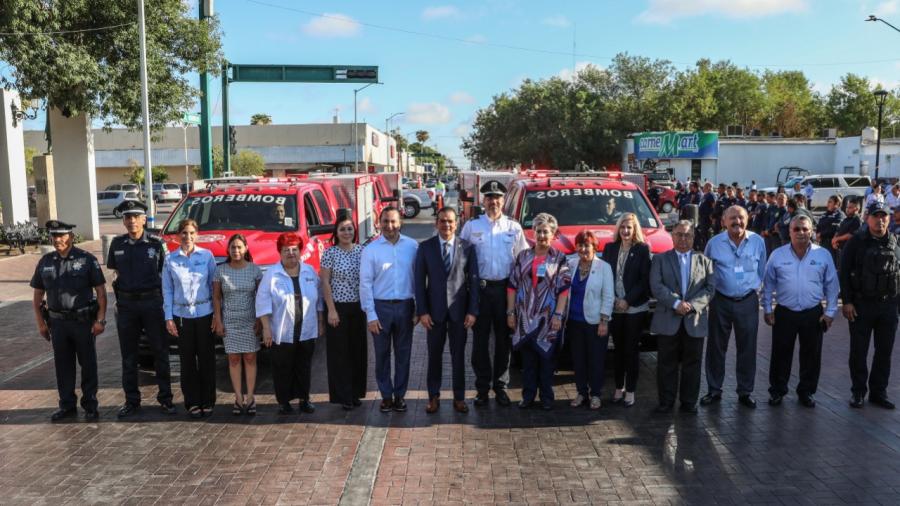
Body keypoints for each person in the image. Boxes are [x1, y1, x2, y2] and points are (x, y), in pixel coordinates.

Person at [459, 180, 528, 407]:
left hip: (505, 291)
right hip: (480, 292)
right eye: (489, 198)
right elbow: (461, 262)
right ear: (484, 201)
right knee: (479, 342)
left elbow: (523, 261)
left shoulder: (513, 227)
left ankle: (500, 387)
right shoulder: (472, 227)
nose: (493, 202)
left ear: (503, 200)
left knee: (503, 341)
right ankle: (481, 389)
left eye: (497, 197)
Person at [31, 220, 107, 421]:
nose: (58, 240)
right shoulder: (45, 261)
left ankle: (90, 404)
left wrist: (100, 320)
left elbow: (101, 293)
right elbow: (38, 296)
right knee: (63, 365)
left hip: (83, 321)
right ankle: (67, 405)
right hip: (57, 323)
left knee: (88, 364)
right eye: (54, 236)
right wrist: (41, 324)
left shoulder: (86, 259)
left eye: (62, 236)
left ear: (71, 237)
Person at [762, 215, 839, 408]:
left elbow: (832, 285)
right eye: (797, 229)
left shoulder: (823, 254)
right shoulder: (777, 255)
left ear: (812, 231)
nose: (801, 233)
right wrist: (768, 309)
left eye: (805, 229)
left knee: (811, 355)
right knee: (780, 354)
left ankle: (806, 392)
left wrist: (830, 312)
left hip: (812, 313)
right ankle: (777, 391)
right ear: (789, 232)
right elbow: (768, 284)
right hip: (785, 312)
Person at [106, 200, 174, 418]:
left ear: (144, 219)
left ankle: (165, 399)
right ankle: (131, 401)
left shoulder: (156, 244)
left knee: (160, 353)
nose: (132, 221)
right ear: (124, 221)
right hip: (127, 306)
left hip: (152, 304)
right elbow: (114, 274)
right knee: (128, 356)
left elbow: (167, 274)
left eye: (136, 216)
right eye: (128, 217)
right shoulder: (117, 244)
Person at [415, 207, 479, 414]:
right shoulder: (425, 247)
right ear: (436, 223)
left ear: (457, 223)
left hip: (460, 314)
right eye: (442, 221)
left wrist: (472, 311)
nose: (446, 225)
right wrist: (422, 312)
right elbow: (419, 282)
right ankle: (433, 397)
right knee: (434, 356)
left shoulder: (468, 247)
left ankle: (459, 398)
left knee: (458, 356)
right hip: (434, 314)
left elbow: (474, 282)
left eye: (450, 221)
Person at [702, 206, 767, 408]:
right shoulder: (714, 244)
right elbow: (705, 272)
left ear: (747, 220)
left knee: (747, 348)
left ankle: (745, 391)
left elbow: (762, 271)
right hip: (720, 300)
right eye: (732, 218)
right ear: (724, 220)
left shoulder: (758, 242)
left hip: (748, 301)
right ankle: (714, 389)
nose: (736, 221)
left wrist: (761, 298)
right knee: (716, 347)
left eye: (740, 217)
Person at [649, 221, 715, 413]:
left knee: (692, 365)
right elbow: (656, 285)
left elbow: (710, 288)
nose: (683, 239)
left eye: (687, 235)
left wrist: (692, 306)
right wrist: (676, 303)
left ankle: (689, 403)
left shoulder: (705, 261)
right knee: (666, 364)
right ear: (672, 236)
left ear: (693, 237)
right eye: (679, 234)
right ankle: (666, 402)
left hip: (694, 321)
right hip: (668, 319)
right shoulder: (660, 260)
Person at [839, 201, 900, 409]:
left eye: (884, 216)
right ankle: (858, 392)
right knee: (859, 351)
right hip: (861, 305)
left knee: (884, 352)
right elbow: (844, 272)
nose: (880, 220)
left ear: (889, 219)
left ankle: (878, 392)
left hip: (888, 306)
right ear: (868, 218)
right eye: (876, 216)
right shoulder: (857, 241)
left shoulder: (894, 241)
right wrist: (846, 301)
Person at [507, 213, 571, 410]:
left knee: (546, 361)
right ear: (533, 233)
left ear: (553, 235)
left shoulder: (559, 258)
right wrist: (510, 313)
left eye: (546, 232)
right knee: (528, 362)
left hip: (549, 318)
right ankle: (527, 396)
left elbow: (564, 289)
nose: (542, 235)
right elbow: (512, 286)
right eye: (539, 231)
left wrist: (559, 315)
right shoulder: (523, 256)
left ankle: (546, 398)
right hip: (525, 317)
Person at [256, 233, 324, 414]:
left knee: (304, 366)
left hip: (306, 328)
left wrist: (320, 321)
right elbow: (262, 302)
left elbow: (319, 299)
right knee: (282, 367)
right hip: (282, 329)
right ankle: (284, 402)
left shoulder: (309, 271)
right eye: (286, 250)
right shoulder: (272, 274)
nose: (291, 253)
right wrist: (266, 329)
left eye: (294, 249)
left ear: (300, 251)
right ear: (280, 252)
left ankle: (304, 399)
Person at [360, 207, 419, 413]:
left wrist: (418, 308)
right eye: (385, 221)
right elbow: (365, 284)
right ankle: (386, 396)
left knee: (404, 354)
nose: (389, 226)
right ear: (379, 222)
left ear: (400, 222)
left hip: (405, 307)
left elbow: (420, 280)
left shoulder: (413, 246)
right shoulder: (371, 250)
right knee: (382, 354)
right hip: (380, 307)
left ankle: (400, 396)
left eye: (393, 221)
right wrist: (371, 315)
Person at [162, 219, 217, 419]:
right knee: (187, 362)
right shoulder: (170, 260)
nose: (188, 237)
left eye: (191, 233)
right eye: (184, 233)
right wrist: (168, 317)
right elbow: (167, 290)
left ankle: (208, 400)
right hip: (181, 315)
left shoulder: (207, 256)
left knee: (206, 359)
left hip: (205, 312)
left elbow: (214, 286)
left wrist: (217, 315)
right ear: (178, 236)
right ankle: (192, 402)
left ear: (197, 235)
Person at [602, 213, 652, 407]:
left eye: (629, 228)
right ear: (618, 228)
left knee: (631, 350)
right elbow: (606, 276)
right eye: (622, 227)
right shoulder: (610, 248)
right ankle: (618, 387)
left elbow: (643, 280)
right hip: (615, 306)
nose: (625, 231)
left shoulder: (642, 249)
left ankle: (630, 390)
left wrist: (627, 300)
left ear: (635, 229)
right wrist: (614, 299)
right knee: (618, 350)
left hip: (634, 308)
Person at [212, 234, 263, 416]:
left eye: (239, 247)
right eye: (233, 247)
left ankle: (250, 397)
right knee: (233, 359)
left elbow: (260, 297)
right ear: (228, 250)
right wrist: (218, 319)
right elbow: (217, 297)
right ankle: (238, 398)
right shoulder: (221, 271)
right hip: (230, 320)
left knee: (250, 357)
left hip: (250, 320)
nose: (236, 251)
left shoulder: (255, 270)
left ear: (246, 248)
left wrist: (259, 320)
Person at [320, 214, 367, 410]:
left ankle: (356, 393)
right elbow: (325, 282)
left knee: (357, 351)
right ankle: (343, 395)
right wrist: (331, 310)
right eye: (342, 229)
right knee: (340, 353)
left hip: (359, 308)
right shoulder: (330, 253)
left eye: (349, 228)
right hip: (337, 307)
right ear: (336, 233)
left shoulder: (363, 251)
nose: (347, 232)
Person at [565, 230, 613, 409]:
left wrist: (604, 320)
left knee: (596, 359)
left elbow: (608, 296)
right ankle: (581, 392)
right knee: (578, 359)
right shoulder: (570, 264)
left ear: (594, 246)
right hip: (574, 321)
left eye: (587, 245)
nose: (584, 249)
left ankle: (596, 394)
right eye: (580, 245)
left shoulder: (604, 267)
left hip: (595, 322)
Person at [816, 195, 845, 268]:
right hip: (822, 243)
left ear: (837, 204)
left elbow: (834, 229)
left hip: (832, 245)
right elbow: (819, 225)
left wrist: (821, 234)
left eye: (830, 202)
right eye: (828, 202)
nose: (827, 204)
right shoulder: (824, 214)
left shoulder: (839, 215)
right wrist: (817, 234)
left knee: (831, 267)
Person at [697, 182, 717, 251]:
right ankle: (704, 247)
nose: (703, 188)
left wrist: (712, 216)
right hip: (703, 217)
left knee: (707, 233)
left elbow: (714, 205)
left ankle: (708, 249)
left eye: (704, 187)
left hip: (707, 218)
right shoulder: (705, 195)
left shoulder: (711, 195)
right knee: (703, 233)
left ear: (708, 187)